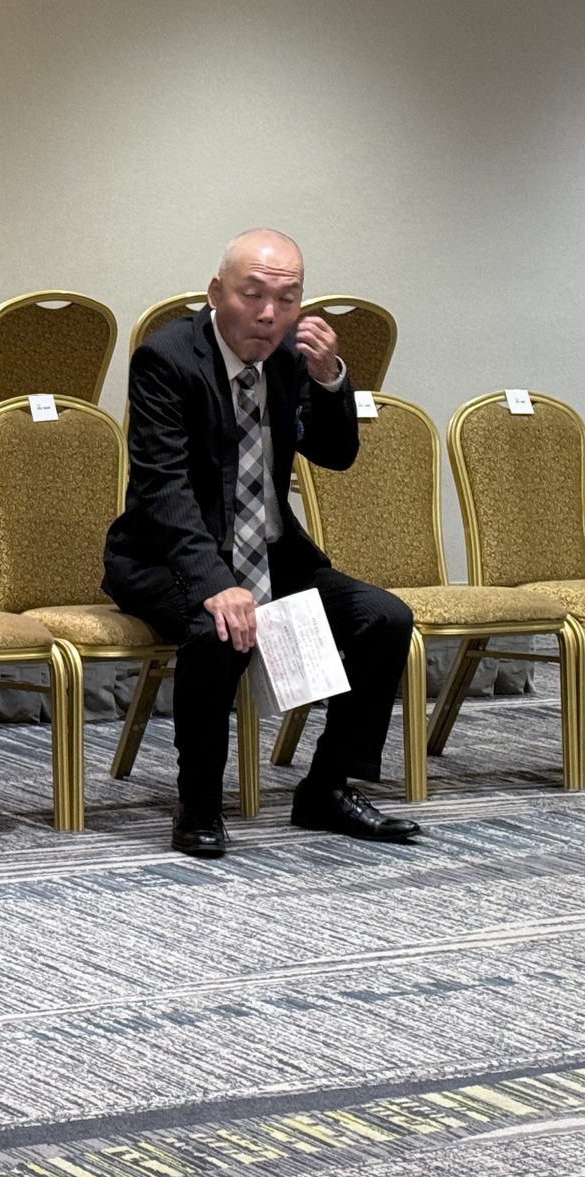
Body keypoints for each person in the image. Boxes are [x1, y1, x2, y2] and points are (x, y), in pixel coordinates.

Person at [103, 229, 418, 857]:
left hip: (271, 554)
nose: (270, 314)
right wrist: (216, 583)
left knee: (385, 618)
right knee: (217, 627)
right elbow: (163, 487)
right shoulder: (166, 358)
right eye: (253, 295)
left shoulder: (290, 358)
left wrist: (330, 380)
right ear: (216, 291)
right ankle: (198, 803)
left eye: (287, 299)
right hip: (168, 557)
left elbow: (336, 453)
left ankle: (327, 787)